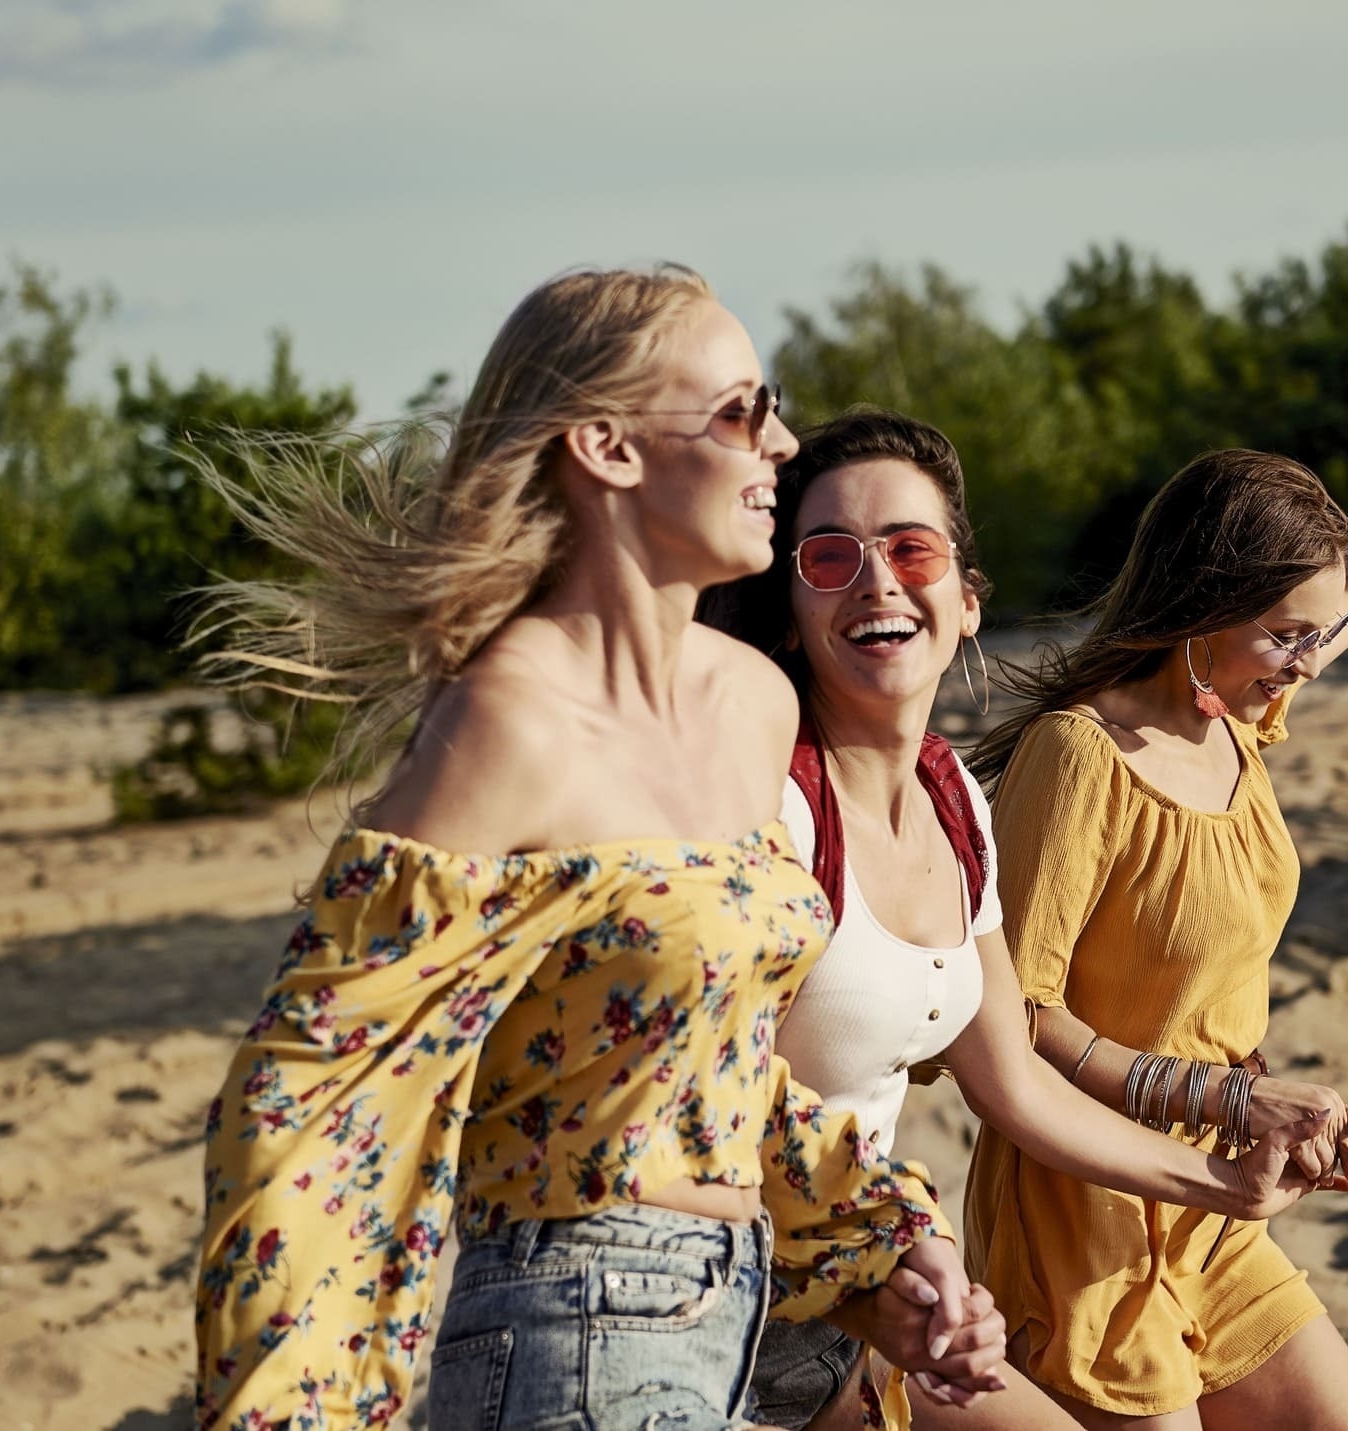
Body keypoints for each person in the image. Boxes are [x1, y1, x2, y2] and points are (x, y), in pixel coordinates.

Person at [189, 265, 1008, 1431]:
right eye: (737, 412)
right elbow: (314, 1084)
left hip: (741, 1312)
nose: (776, 443)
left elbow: (714, 1060)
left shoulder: (748, 706)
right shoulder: (509, 719)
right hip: (564, 1329)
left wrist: (883, 1243)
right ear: (608, 447)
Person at [700, 407, 1348, 1430]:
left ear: (965, 602)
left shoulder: (954, 803)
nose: (875, 579)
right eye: (828, 558)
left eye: (909, 549)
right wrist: (912, 1235)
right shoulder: (760, 805)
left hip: (871, 1302)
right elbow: (711, 1095)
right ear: (788, 609)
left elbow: (1010, 1082)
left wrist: (1226, 1178)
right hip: (722, 1313)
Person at [960, 278, 1348, 1430]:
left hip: (1220, 1198)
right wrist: (1220, 1097)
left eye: (1310, 634)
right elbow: (1014, 1018)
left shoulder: (1237, 711)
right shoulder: (1080, 758)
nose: (1307, 662)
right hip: (1081, 1207)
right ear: (1200, 611)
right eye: (1282, 635)